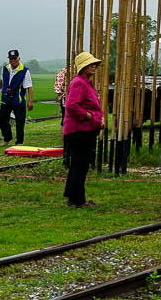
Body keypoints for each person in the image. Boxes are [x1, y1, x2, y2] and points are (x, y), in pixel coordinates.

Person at [62, 51, 104, 208]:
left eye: (94, 63)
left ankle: (73, 197)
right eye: (90, 64)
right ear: (82, 67)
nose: (94, 66)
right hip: (79, 130)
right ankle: (78, 200)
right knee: (81, 164)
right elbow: (72, 105)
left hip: (83, 130)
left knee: (78, 164)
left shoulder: (86, 82)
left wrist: (99, 117)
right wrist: (89, 117)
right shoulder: (80, 83)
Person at [0, 49, 34, 146]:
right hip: (6, 99)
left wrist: (30, 101)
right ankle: (7, 137)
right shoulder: (5, 68)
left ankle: (19, 142)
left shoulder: (24, 71)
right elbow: (1, 81)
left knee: (20, 122)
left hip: (18, 100)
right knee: (2, 120)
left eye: (14, 59)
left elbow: (29, 87)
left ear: (19, 58)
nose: (13, 61)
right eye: (11, 59)